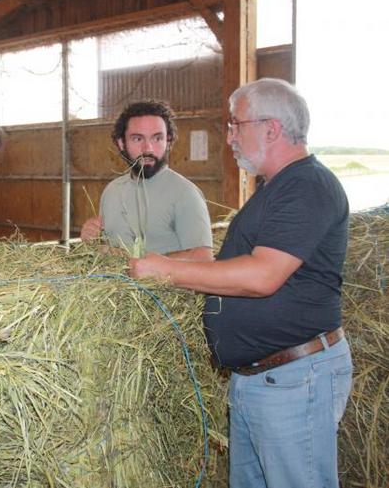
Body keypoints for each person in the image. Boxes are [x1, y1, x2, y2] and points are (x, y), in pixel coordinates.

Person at [128, 78, 352, 488]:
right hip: (260, 379)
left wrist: (167, 269)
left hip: (294, 379)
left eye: (236, 124)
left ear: (271, 128)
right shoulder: (277, 188)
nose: (229, 137)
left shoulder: (307, 186)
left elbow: (263, 275)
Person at [80, 100, 213, 261]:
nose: (148, 148)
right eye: (137, 139)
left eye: (157, 139)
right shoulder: (112, 191)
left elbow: (203, 258)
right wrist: (92, 239)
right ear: (121, 143)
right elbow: (107, 250)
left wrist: (147, 264)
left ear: (168, 141)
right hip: (116, 285)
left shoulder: (185, 193)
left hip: (163, 286)